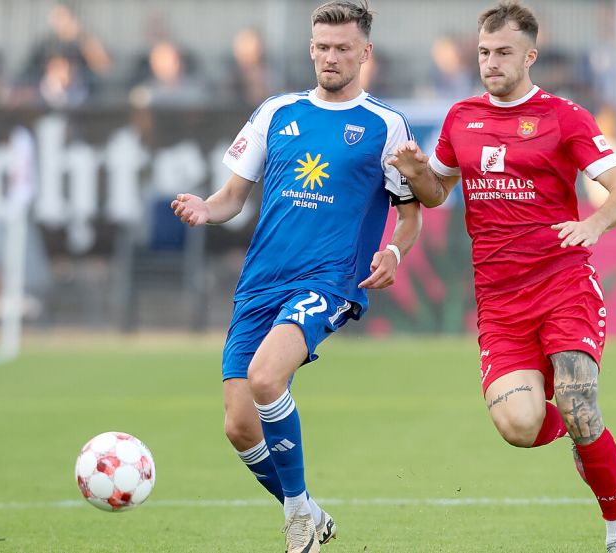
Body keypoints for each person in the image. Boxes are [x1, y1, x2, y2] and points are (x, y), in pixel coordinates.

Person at [388, 3, 616, 551]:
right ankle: (581, 438)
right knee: (520, 427)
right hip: (500, 301)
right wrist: (417, 174)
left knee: (579, 401)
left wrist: (593, 224)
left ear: (530, 54)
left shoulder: (564, 116)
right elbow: (437, 193)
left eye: (503, 52)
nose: (491, 62)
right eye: (483, 52)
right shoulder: (460, 119)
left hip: (562, 283)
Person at [171, 2, 420, 552]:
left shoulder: (385, 125)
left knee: (266, 379)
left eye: (343, 49)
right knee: (239, 426)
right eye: (322, 47)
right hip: (260, 282)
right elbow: (231, 198)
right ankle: (305, 510)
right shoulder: (275, 111)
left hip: (327, 282)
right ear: (311, 48)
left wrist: (394, 255)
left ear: (365, 53)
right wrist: (203, 209)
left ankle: (299, 525)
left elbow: (410, 214)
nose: (331, 58)